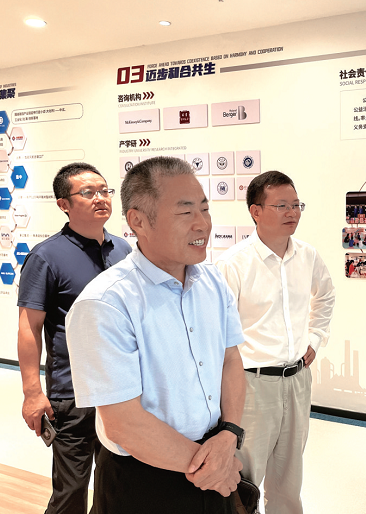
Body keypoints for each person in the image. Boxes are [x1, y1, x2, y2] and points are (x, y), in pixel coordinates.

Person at [65, 157, 246, 514]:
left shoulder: (212, 281)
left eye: (205, 209)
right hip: (143, 478)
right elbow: (124, 424)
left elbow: (230, 360)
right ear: (138, 221)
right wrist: (213, 469)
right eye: (185, 212)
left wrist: (230, 433)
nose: (202, 223)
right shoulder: (105, 303)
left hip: (214, 454)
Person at [216, 171, 335, 514]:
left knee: (289, 478)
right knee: (244, 480)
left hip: (297, 381)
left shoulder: (307, 255)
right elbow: (217, 329)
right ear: (256, 211)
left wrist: (316, 337)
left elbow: (326, 296)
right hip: (252, 383)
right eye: (281, 205)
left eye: (296, 205)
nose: (292, 212)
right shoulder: (233, 263)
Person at [17, 163, 131, 514]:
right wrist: (32, 393)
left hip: (122, 388)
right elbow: (29, 327)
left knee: (117, 487)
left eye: (105, 190)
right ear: (63, 204)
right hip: (73, 393)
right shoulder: (46, 256)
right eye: (88, 192)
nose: (101, 198)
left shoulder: (124, 250)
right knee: (72, 491)